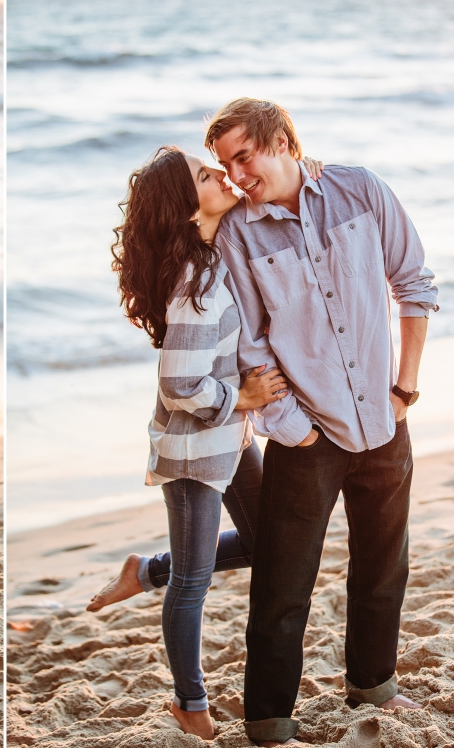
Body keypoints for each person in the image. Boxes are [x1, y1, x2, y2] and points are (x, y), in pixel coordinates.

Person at [205, 98, 438, 747]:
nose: (236, 176)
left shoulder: (360, 189)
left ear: (281, 139)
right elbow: (247, 342)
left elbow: (414, 283)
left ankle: (374, 685)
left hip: (384, 420)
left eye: (243, 157)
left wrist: (404, 390)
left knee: (384, 565)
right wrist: (293, 426)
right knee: (283, 585)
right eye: (225, 166)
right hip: (306, 436)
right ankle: (270, 722)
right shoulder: (237, 235)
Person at [104, 145, 304, 741]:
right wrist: (238, 398)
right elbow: (180, 383)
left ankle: (146, 570)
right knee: (193, 583)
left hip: (230, 439)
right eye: (204, 174)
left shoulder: (211, 254)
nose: (221, 175)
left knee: (276, 542)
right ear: (185, 205)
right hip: (195, 448)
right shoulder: (193, 281)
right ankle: (189, 703)